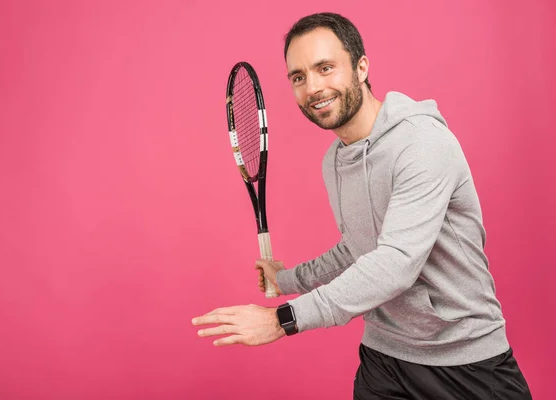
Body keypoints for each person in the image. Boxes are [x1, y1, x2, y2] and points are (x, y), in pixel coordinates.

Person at [192, 12, 532, 399]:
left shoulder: (422, 144)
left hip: (466, 360)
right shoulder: (335, 161)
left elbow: (395, 262)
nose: (313, 87)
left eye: (325, 68)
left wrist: (282, 320)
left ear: (361, 67)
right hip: (384, 360)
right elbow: (359, 248)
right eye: (299, 77)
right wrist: (285, 279)